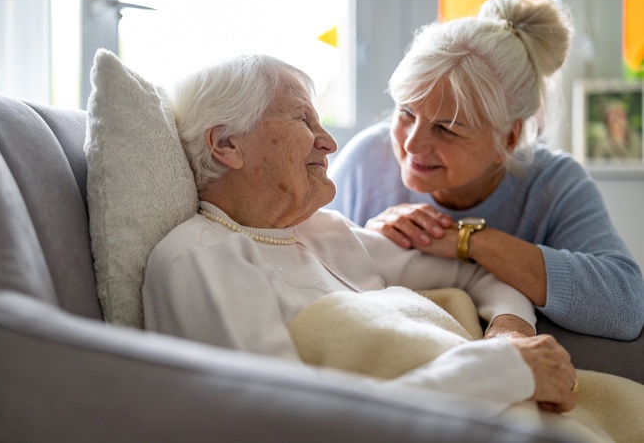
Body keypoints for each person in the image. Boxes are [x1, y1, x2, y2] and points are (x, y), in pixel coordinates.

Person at [141, 53, 577, 414]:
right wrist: (504, 371)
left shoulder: (323, 231)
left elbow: (480, 275)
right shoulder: (200, 256)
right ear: (227, 145)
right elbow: (286, 421)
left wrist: (509, 332)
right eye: (303, 120)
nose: (329, 142)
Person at [325, 0, 644, 341]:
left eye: (446, 129)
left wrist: (470, 241)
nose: (411, 144)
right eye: (406, 113)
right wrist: (367, 242)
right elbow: (304, 266)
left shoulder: (554, 184)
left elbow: (626, 306)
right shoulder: (367, 161)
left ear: (508, 139)